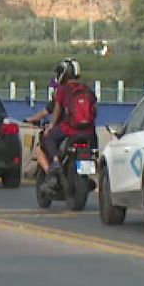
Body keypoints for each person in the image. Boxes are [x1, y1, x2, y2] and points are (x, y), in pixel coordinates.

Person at [38, 60, 97, 192]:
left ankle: (55, 162)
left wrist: (52, 126)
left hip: (69, 130)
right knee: (92, 150)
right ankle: (92, 162)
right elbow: (95, 112)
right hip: (88, 132)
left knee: (48, 138)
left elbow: (57, 111)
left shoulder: (62, 90)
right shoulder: (87, 90)